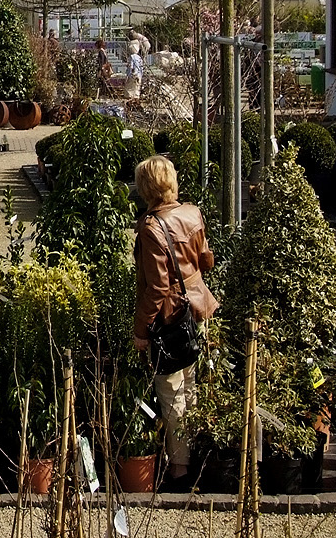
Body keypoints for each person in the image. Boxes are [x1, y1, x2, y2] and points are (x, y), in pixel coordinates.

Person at [132, 154, 219, 489]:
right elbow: (206, 260)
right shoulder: (191, 212)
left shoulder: (152, 227)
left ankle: (180, 471)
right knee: (191, 385)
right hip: (197, 308)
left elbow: (156, 288)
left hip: (169, 317)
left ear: (145, 187)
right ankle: (195, 456)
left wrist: (141, 331)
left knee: (171, 393)